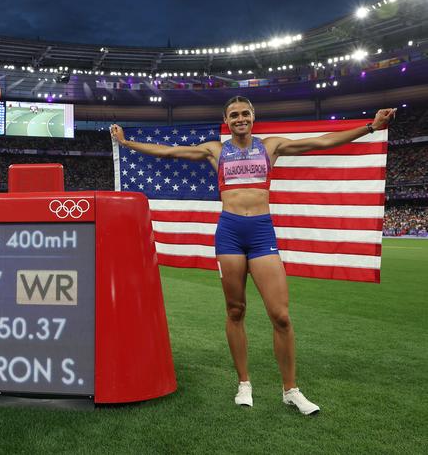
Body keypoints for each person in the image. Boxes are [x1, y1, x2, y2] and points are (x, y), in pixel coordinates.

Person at [110, 96, 396, 415]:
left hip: (261, 233)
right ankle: (244, 383)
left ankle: (291, 390)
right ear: (227, 120)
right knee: (235, 310)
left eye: (245, 113)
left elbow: (321, 142)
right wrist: (126, 143)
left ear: (253, 116)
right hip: (229, 232)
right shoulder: (214, 150)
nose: (240, 118)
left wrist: (370, 127)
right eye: (234, 115)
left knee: (281, 316)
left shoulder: (270, 146)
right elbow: (169, 152)